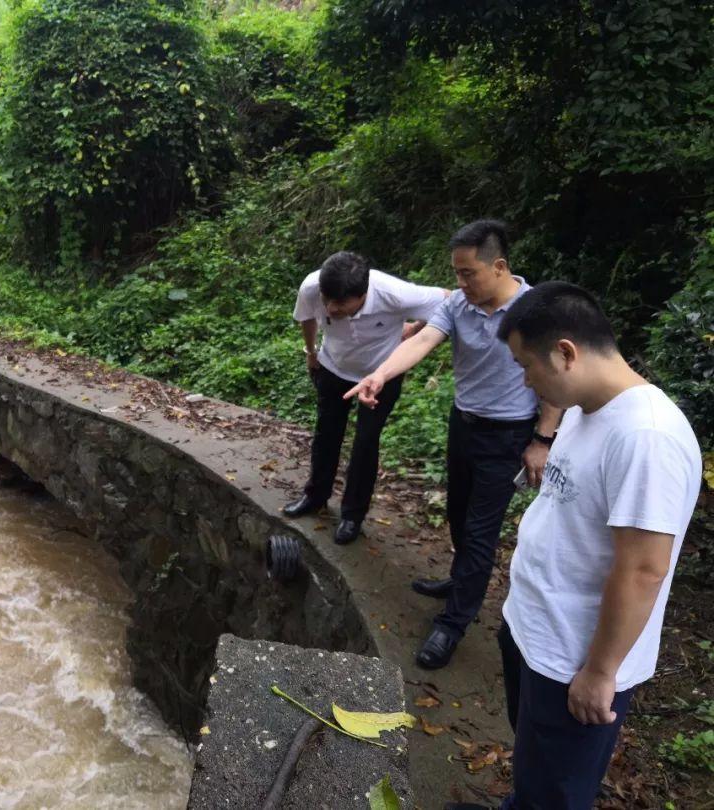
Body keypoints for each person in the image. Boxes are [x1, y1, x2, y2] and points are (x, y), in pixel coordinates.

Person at [469, 281, 698, 810]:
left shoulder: (648, 436)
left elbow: (643, 569)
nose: (526, 381)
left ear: (565, 352)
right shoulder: (585, 408)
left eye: (528, 366)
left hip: (576, 658)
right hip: (536, 631)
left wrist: (600, 671)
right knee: (536, 768)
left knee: (557, 792)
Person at [346, 220, 561, 669]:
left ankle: (453, 623)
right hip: (463, 424)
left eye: (468, 274)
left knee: (481, 531)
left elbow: (553, 380)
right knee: (459, 514)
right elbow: (423, 339)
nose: (459, 284)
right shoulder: (460, 304)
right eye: (457, 274)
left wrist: (542, 438)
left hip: (507, 435)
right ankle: (462, 578)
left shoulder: (535, 311)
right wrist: (380, 374)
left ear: (499, 267)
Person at [282, 251, 448, 544]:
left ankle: (352, 516)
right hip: (333, 367)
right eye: (327, 299)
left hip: (381, 376)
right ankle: (315, 496)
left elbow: (448, 300)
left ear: (363, 295)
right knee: (326, 434)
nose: (331, 309)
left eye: (341, 303)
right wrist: (310, 352)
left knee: (366, 442)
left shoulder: (395, 294)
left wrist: (416, 327)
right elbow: (307, 317)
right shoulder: (312, 287)